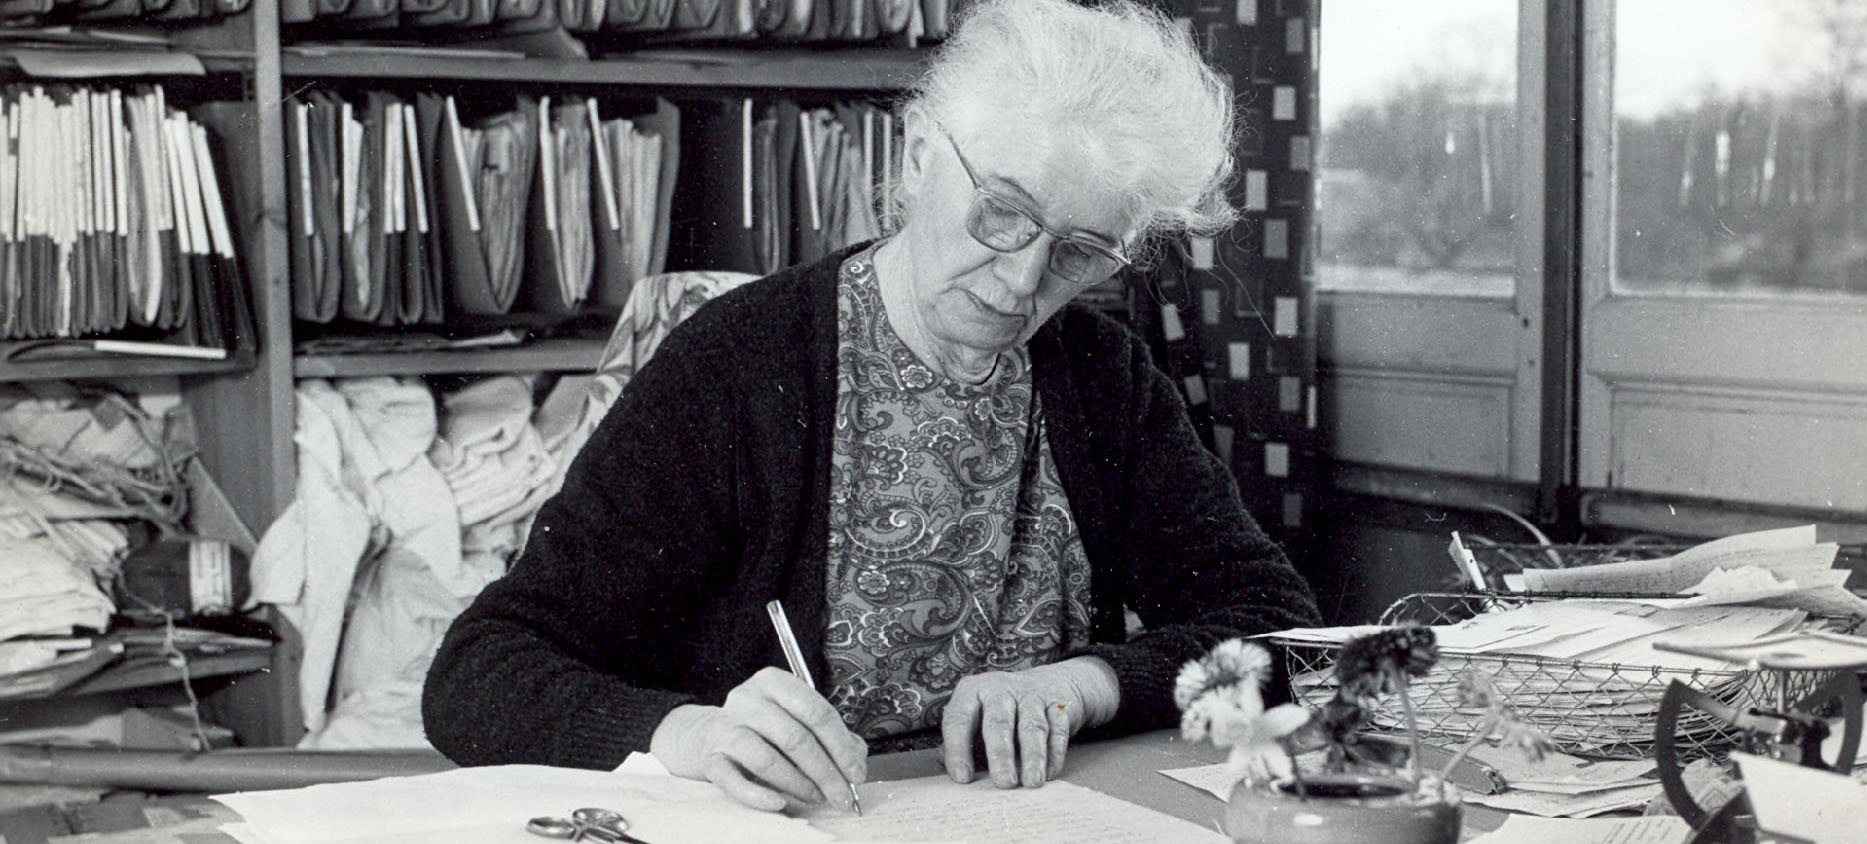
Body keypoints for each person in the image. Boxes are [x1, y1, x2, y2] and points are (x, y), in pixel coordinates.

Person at [421, 0, 1320, 813]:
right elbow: (480, 671)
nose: (1022, 280)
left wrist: (1084, 684)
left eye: (1081, 253)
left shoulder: (1101, 378)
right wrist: (684, 732)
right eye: (1002, 213)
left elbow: (1281, 631)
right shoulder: (735, 365)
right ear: (920, 155)